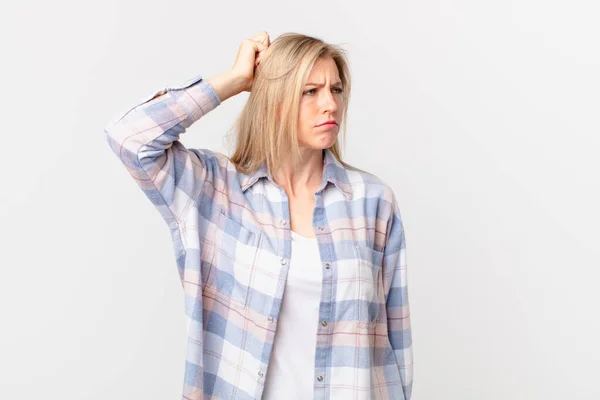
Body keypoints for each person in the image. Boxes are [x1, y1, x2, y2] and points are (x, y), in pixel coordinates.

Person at [104, 31, 413, 400]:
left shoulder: (373, 203)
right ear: (274, 102)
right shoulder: (215, 190)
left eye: (336, 89)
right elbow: (129, 139)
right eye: (309, 91)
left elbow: (396, 349)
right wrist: (235, 81)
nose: (329, 104)